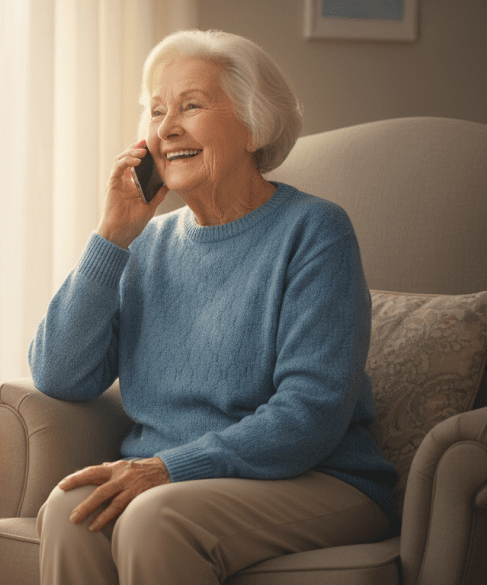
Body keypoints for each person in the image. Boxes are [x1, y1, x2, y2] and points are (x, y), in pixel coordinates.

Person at [31, 29, 398, 585]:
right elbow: (59, 374)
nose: (167, 128)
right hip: (175, 482)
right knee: (71, 510)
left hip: (314, 477)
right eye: (156, 112)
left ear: (253, 124)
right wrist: (112, 236)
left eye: (191, 106)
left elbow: (311, 412)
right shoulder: (147, 244)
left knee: (153, 520)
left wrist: (169, 468)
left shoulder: (314, 231)